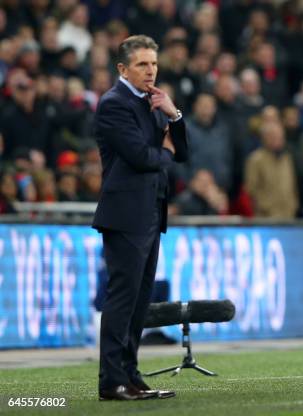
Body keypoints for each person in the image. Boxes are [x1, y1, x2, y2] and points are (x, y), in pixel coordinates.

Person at [92, 35, 188, 401]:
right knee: (122, 299)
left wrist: (174, 114)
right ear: (122, 69)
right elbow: (142, 158)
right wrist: (163, 149)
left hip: (150, 212)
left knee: (138, 301)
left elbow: (182, 153)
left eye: (154, 64)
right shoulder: (114, 104)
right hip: (126, 214)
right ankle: (111, 381)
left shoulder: (152, 102)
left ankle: (130, 376)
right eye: (142, 65)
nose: (151, 71)